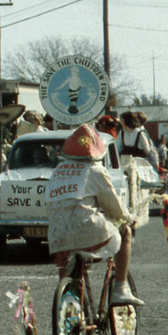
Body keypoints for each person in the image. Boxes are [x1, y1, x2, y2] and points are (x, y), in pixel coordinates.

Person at [44, 124, 142, 306]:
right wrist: (129, 218)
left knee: (66, 265)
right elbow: (115, 208)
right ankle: (121, 288)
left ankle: (66, 305)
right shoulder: (95, 171)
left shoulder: (57, 172)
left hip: (56, 235)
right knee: (125, 231)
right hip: (88, 230)